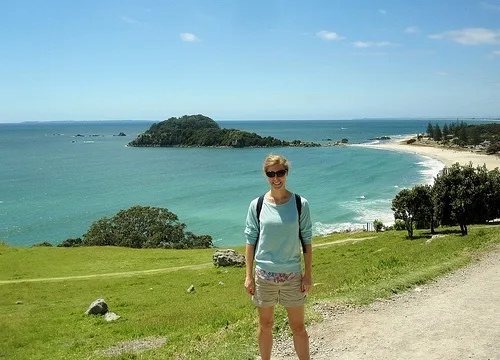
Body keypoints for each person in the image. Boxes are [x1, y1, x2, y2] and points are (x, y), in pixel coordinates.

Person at [244, 154, 313, 360]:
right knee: (265, 325)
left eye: (280, 173)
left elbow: (307, 240)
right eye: (271, 174)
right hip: (264, 276)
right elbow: (250, 241)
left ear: (287, 173)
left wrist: (308, 274)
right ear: (265, 175)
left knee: (298, 327)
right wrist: (248, 276)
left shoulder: (300, 203)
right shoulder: (256, 205)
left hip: (292, 275)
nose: (276, 178)